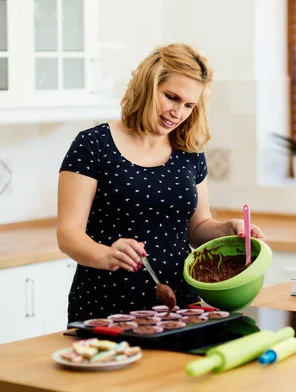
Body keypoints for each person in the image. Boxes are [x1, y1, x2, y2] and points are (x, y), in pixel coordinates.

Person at [56, 43, 266, 323]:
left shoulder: (189, 151)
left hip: (180, 308)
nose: (178, 113)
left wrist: (229, 229)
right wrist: (107, 255)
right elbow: (68, 234)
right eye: (171, 97)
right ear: (147, 85)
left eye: (189, 105)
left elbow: (198, 228)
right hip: (106, 309)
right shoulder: (93, 145)